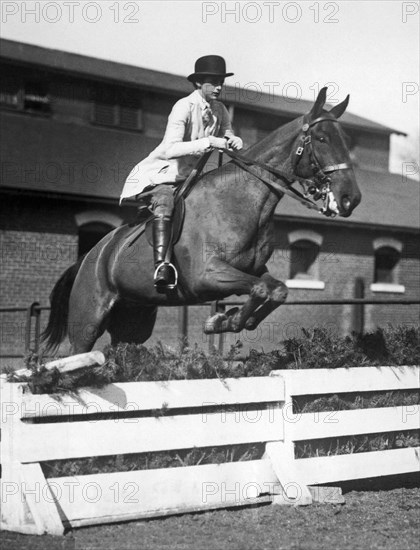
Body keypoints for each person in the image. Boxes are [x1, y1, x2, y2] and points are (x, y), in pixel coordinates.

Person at [120, 55, 243, 289]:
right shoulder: (183, 107)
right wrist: (209, 141)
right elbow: (170, 149)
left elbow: (227, 133)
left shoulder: (220, 109)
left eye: (221, 82)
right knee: (165, 200)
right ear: (198, 83)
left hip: (190, 178)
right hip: (162, 175)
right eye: (213, 81)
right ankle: (161, 266)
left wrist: (234, 139)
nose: (218, 87)